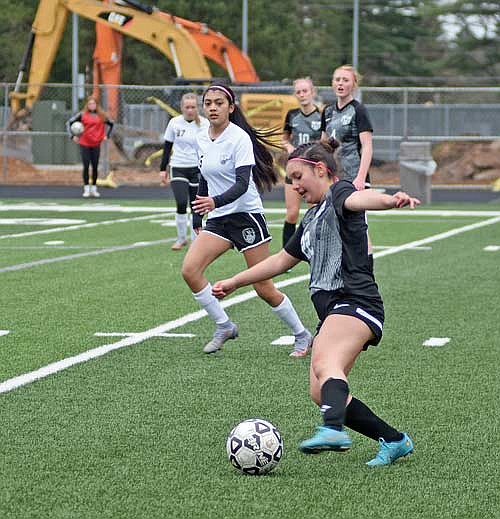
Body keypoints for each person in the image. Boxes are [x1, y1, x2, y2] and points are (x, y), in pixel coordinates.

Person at [212, 140, 419, 466]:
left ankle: (333, 429)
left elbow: (359, 198)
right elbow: (281, 260)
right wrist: (237, 281)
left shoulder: (339, 195)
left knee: (325, 363)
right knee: (321, 391)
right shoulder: (311, 220)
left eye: (298, 177)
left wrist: (389, 200)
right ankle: (394, 440)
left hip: (355, 301)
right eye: (290, 180)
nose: (294, 186)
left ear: (320, 170)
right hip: (337, 311)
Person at [181, 83, 313, 357]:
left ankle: (302, 334)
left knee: (263, 287)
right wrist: (198, 212)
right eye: (209, 103)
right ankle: (224, 324)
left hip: (245, 217)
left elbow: (242, 184)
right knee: (190, 271)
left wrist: (214, 202)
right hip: (218, 219)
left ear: (231, 107)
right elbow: (203, 176)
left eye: (219, 103)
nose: (213, 107)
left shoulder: (239, 138)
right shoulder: (202, 138)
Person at [320, 65, 375, 266]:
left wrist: (360, 178)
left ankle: (366, 269)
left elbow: (367, 147)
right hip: (334, 178)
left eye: (345, 80)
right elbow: (323, 146)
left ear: (353, 84)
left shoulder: (358, 110)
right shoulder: (327, 111)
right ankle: (341, 268)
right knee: (333, 224)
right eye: (337, 79)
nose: (340, 83)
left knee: (359, 226)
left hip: (354, 177)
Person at [159, 93, 209, 250]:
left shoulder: (205, 124)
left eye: (193, 107)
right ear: (182, 108)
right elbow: (167, 147)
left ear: (197, 108)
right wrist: (162, 169)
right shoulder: (174, 123)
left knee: (196, 205)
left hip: (197, 168)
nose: (190, 110)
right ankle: (181, 238)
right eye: (187, 107)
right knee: (181, 202)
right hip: (178, 167)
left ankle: (196, 241)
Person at [281, 77, 322, 247]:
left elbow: (326, 142)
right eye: (298, 92)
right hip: (294, 171)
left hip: (312, 171)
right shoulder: (292, 115)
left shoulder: (322, 116)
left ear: (312, 92)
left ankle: (315, 247)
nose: (302, 94)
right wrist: (289, 147)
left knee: (316, 211)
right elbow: (284, 139)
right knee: (292, 213)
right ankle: (286, 254)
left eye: (305, 91)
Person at [67, 96, 114, 198]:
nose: (92, 106)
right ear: (87, 105)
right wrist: (72, 136)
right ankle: (86, 188)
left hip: (96, 144)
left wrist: (107, 135)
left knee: (95, 166)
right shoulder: (82, 115)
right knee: (86, 166)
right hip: (85, 144)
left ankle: (94, 188)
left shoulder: (101, 116)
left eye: (93, 104)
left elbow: (111, 124)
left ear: (96, 105)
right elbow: (69, 123)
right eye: (90, 104)